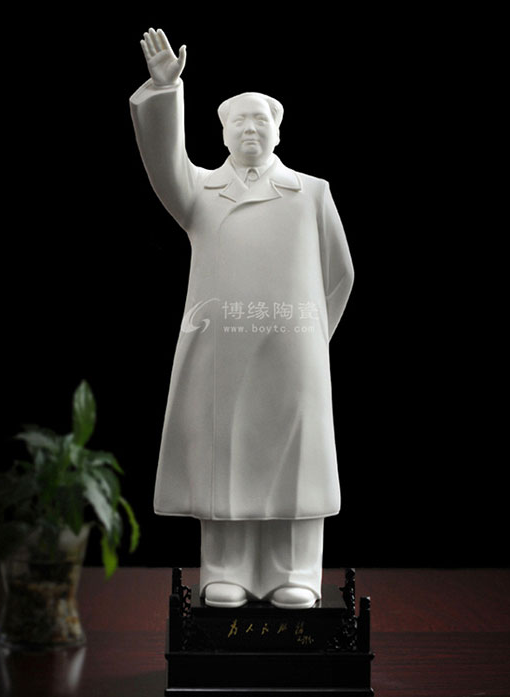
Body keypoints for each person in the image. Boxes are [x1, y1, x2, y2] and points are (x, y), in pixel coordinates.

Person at [130, 28, 354, 609]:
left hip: (294, 353)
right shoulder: (201, 192)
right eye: (238, 121)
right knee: (225, 457)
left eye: (261, 120)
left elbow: (340, 275)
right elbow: (163, 162)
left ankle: (296, 572)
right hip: (223, 354)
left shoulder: (311, 193)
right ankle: (224, 568)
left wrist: (310, 340)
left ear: (279, 130)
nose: (250, 129)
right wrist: (166, 91)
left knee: (293, 461)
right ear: (222, 132)